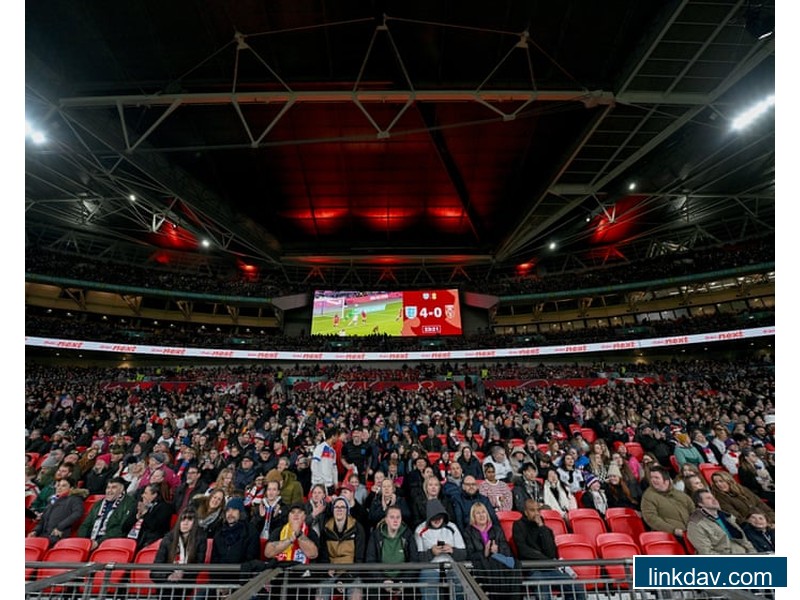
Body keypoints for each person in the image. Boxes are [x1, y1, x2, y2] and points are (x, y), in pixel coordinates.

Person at [512, 500, 585, 600]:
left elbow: (551, 552)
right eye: (532, 510)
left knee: (577, 589)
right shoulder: (518, 525)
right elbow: (523, 551)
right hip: (532, 569)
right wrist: (545, 559)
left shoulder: (543, 527)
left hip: (549, 568)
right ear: (525, 512)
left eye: (538, 510)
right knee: (543, 590)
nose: (536, 513)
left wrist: (541, 527)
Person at [462, 502, 522, 600]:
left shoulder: (497, 530)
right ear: (473, 516)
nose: (481, 515)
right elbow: (469, 554)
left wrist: (497, 550)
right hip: (482, 564)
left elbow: (506, 549)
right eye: (478, 513)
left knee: (514, 563)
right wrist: (484, 553)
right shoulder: (468, 532)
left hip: (498, 560)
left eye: (483, 512)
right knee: (493, 562)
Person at [414, 498, 467, 600]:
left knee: (460, 584)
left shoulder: (452, 527)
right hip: (430, 567)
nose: (437, 520)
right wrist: (432, 552)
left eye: (440, 517)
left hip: (452, 566)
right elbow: (418, 558)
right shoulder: (420, 530)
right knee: (429, 587)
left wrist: (452, 550)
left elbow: (463, 553)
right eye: (434, 518)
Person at [152, 507, 209, 599]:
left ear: (194, 523)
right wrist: (168, 576)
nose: (185, 523)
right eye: (183, 519)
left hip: (185, 582)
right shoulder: (168, 539)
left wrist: (182, 574)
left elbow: (198, 566)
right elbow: (155, 570)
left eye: (189, 519)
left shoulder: (200, 539)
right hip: (166, 584)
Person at [317, 495, 367, 600]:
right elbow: (323, 555)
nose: (339, 510)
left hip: (351, 572)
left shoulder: (357, 528)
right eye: (336, 507)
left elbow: (359, 558)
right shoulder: (326, 529)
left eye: (342, 507)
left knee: (356, 595)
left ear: (347, 511)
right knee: (320, 594)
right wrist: (327, 568)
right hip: (332, 572)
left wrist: (346, 578)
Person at [365, 505, 419, 599]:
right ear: (386, 519)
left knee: (411, 592)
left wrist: (403, 581)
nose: (395, 520)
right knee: (372, 592)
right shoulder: (376, 535)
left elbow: (414, 560)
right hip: (381, 579)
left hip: (403, 579)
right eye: (392, 517)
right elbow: (370, 561)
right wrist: (383, 581)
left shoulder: (408, 534)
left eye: (398, 517)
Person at [209, 497, 261, 588]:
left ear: (240, 513)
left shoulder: (251, 532)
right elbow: (214, 560)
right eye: (228, 510)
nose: (230, 513)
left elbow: (251, 559)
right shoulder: (219, 533)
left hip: (241, 583)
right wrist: (219, 585)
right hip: (218, 583)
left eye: (234, 510)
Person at [686, 490, 755, 555]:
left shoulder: (727, 517)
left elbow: (744, 541)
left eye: (713, 497)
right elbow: (707, 553)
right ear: (700, 504)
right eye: (708, 498)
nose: (714, 499)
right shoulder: (696, 524)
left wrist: (754, 554)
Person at [78, 476, 138, 551]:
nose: (109, 491)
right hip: (91, 542)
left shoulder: (129, 503)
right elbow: (85, 525)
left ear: (122, 489)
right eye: (108, 487)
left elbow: (121, 529)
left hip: (112, 544)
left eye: (114, 487)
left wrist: (98, 542)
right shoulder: (98, 504)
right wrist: (83, 542)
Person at [640, 466, 694, 543]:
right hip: (670, 536)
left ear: (666, 480)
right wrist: (674, 530)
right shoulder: (648, 497)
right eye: (651, 477)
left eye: (656, 477)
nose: (653, 480)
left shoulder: (679, 494)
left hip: (691, 532)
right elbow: (651, 518)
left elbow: (693, 510)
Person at [28, 477, 85, 547]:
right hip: (43, 535)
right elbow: (43, 519)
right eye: (58, 485)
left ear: (71, 488)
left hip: (58, 535)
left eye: (63, 486)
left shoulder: (75, 499)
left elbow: (77, 513)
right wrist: (35, 531)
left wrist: (60, 527)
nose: (59, 488)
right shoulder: (52, 500)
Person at [708, 470, 775, 524]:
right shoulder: (721, 498)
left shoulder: (743, 489)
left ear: (729, 481)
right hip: (754, 526)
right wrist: (764, 524)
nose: (718, 484)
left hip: (767, 520)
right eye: (716, 482)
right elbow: (738, 519)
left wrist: (772, 518)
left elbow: (760, 504)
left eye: (721, 481)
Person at [128, 482, 175, 551]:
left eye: (145, 493)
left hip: (148, 543)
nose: (142, 495)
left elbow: (154, 527)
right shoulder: (141, 505)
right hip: (130, 540)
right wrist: (137, 516)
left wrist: (145, 512)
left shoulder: (165, 508)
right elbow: (125, 527)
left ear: (154, 495)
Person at [312, 428, 339, 495]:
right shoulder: (320, 448)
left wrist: (335, 482)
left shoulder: (333, 451)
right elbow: (314, 464)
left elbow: (334, 468)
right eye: (337, 436)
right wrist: (319, 481)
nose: (338, 439)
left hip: (330, 484)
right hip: (320, 485)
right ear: (333, 436)